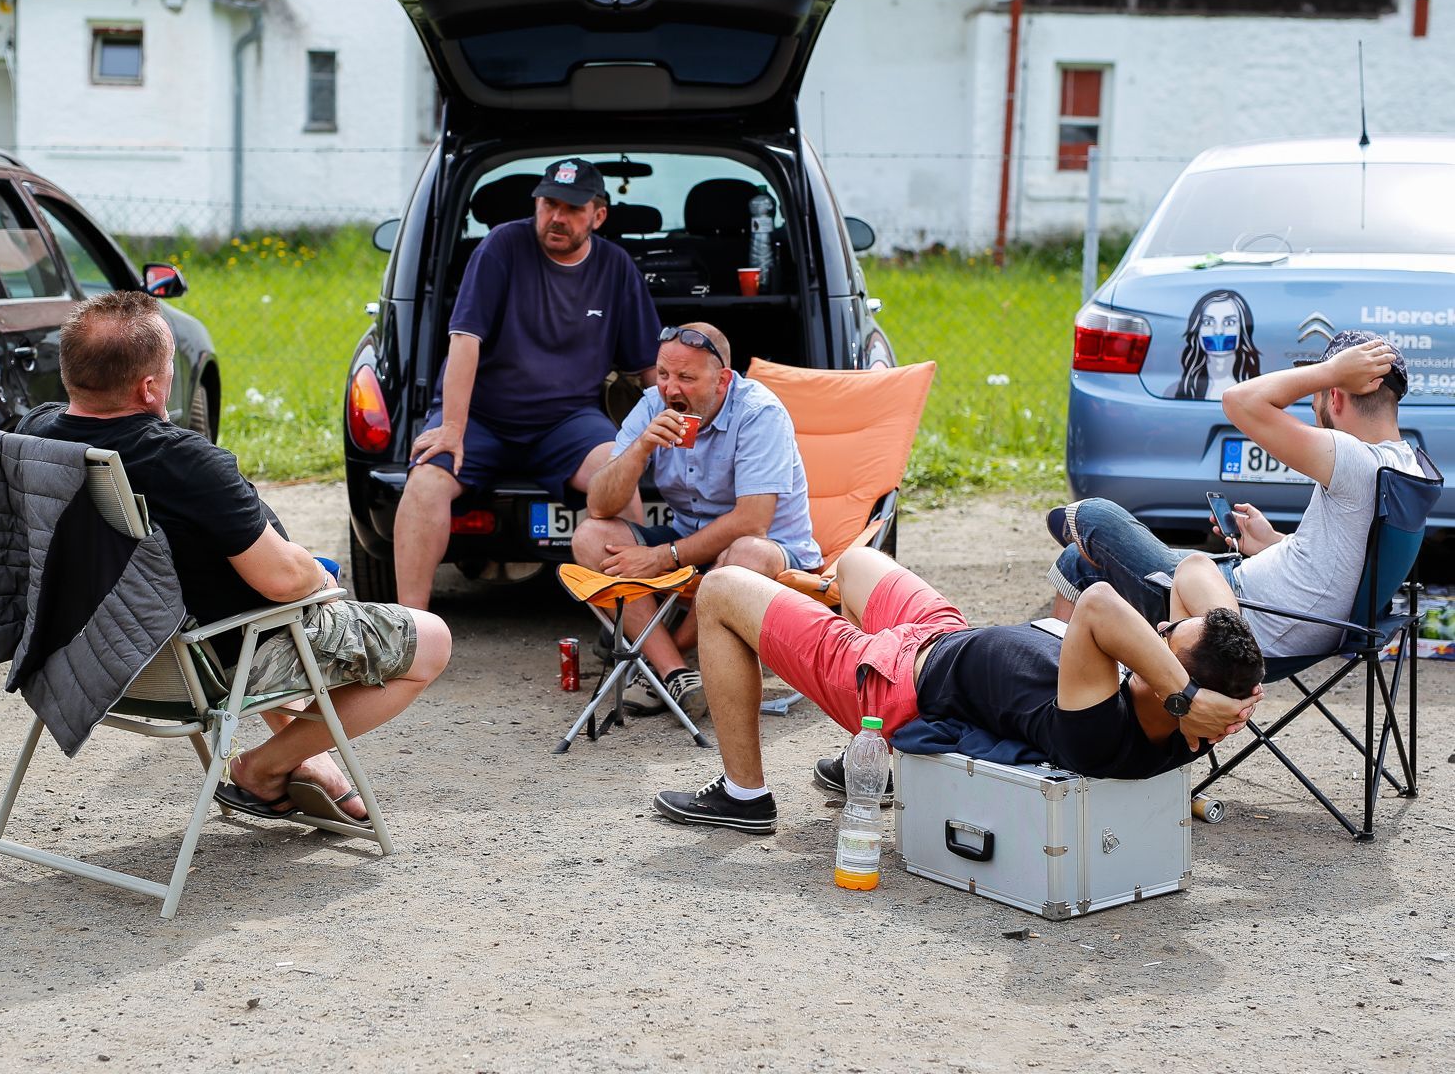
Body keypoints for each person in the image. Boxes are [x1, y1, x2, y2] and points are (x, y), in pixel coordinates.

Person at [21, 291, 451, 825]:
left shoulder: (33, 438)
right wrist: (316, 575)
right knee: (430, 639)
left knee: (248, 605)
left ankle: (312, 765)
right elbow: (281, 582)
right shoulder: (183, 462)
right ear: (150, 387)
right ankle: (262, 768)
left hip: (91, 658)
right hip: (203, 663)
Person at [650, 547, 1264, 834]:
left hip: (893, 682)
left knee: (722, 588)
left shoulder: (1101, 726)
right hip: (946, 638)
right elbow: (1194, 571)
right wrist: (1239, 686)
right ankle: (856, 756)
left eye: (1165, 641)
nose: (1155, 634)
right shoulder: (1188, 729)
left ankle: (743, 794)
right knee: (859, 562)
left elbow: (1099, 603)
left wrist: (1185, 692)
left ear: (1176, 692)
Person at [1050, 329, 1424, 658]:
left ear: (1335, 397)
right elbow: (1347, 559)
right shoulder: (1405, 463)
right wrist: (1272, 543)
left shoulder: (1356, 461)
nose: (1313, 407)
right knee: (1078, 559)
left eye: (1317, 397)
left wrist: (1329, 372)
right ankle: (1065, 690)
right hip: (1258, 598)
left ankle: (1062, 696)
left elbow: (1238, 400)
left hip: (1234, 616)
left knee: (1095, 518)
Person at [395, 157, 661, 608]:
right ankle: (407, 632)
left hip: (567, 421)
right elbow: (465, 340)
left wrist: (680, 425)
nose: (557, 217)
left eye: (572, 208)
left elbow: (647, 368)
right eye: (548, 203)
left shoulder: (616, 268)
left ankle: (633, 624)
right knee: (424, 483)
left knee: (619, 480)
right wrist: (453, 428)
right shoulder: (503, 245)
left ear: (598, 216)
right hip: (482, 417)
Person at [571, 321, 819, 718]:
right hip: (691, 538)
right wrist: (641, 448)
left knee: (747, 554)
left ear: (721, 380)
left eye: (686, 377)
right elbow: (599, 503)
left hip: (769, 548)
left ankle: (663, 652)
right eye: (665, 374)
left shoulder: (759, 412)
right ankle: (675, 673)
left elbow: (752, 521)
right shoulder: (653, 404)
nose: (671, 389)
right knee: (589, 536)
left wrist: (661, 557)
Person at [1165, 288, 1261, 400]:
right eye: (1208, 322)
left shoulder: (1260, 391)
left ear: (1242, 330)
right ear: (1197, 330)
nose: (1218, 331)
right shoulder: (1176, 391)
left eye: (1229, 322)